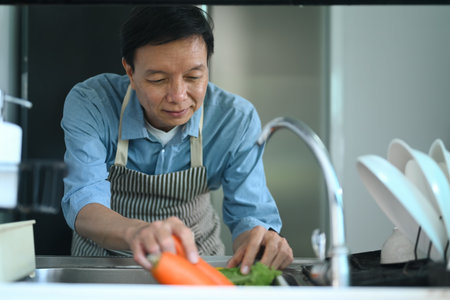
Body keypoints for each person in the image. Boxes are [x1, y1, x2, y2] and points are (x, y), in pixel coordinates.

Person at [61, 5, 293, 274]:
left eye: (194, 77)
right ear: (130, 71)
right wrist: (138, 232)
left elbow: (249, 215)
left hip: (196, 266)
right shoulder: (93, 103)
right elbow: (83, 199)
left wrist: (260, 243)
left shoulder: (235, 120)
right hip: (103, 265)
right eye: (158, 80)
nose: (179, 96)